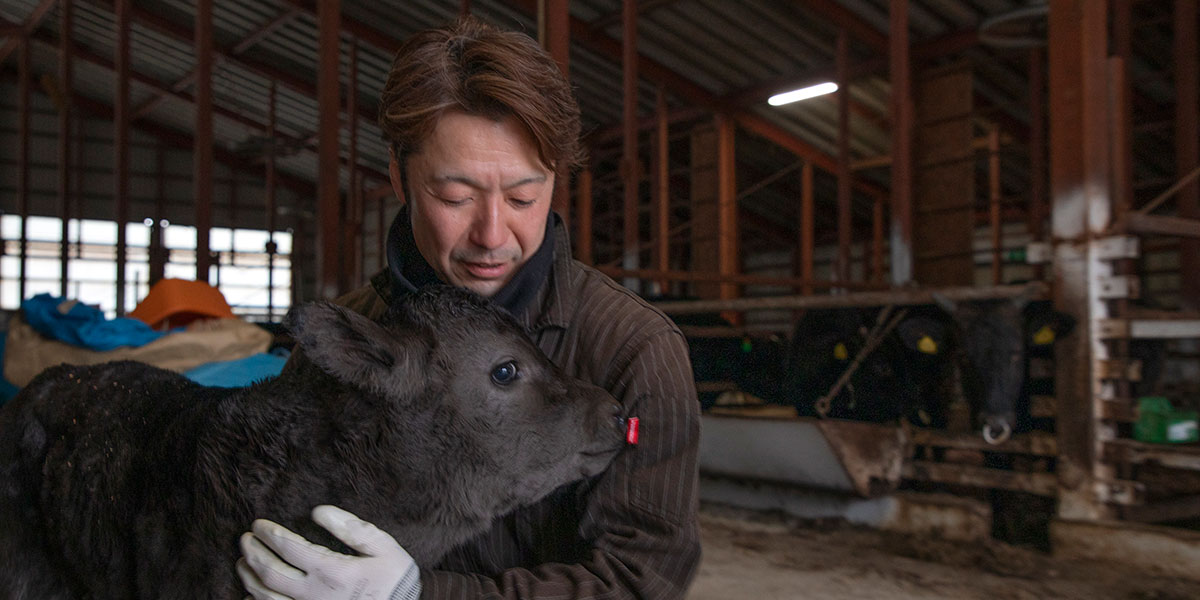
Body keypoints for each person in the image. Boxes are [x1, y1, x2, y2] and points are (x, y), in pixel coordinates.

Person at [235, 16, 701, 600]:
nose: (492, 234)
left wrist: (417, 595)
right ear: (399, 178)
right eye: (455, 197)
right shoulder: (341, 348)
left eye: (523, 197)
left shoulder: (634, 351)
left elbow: (640, 582)